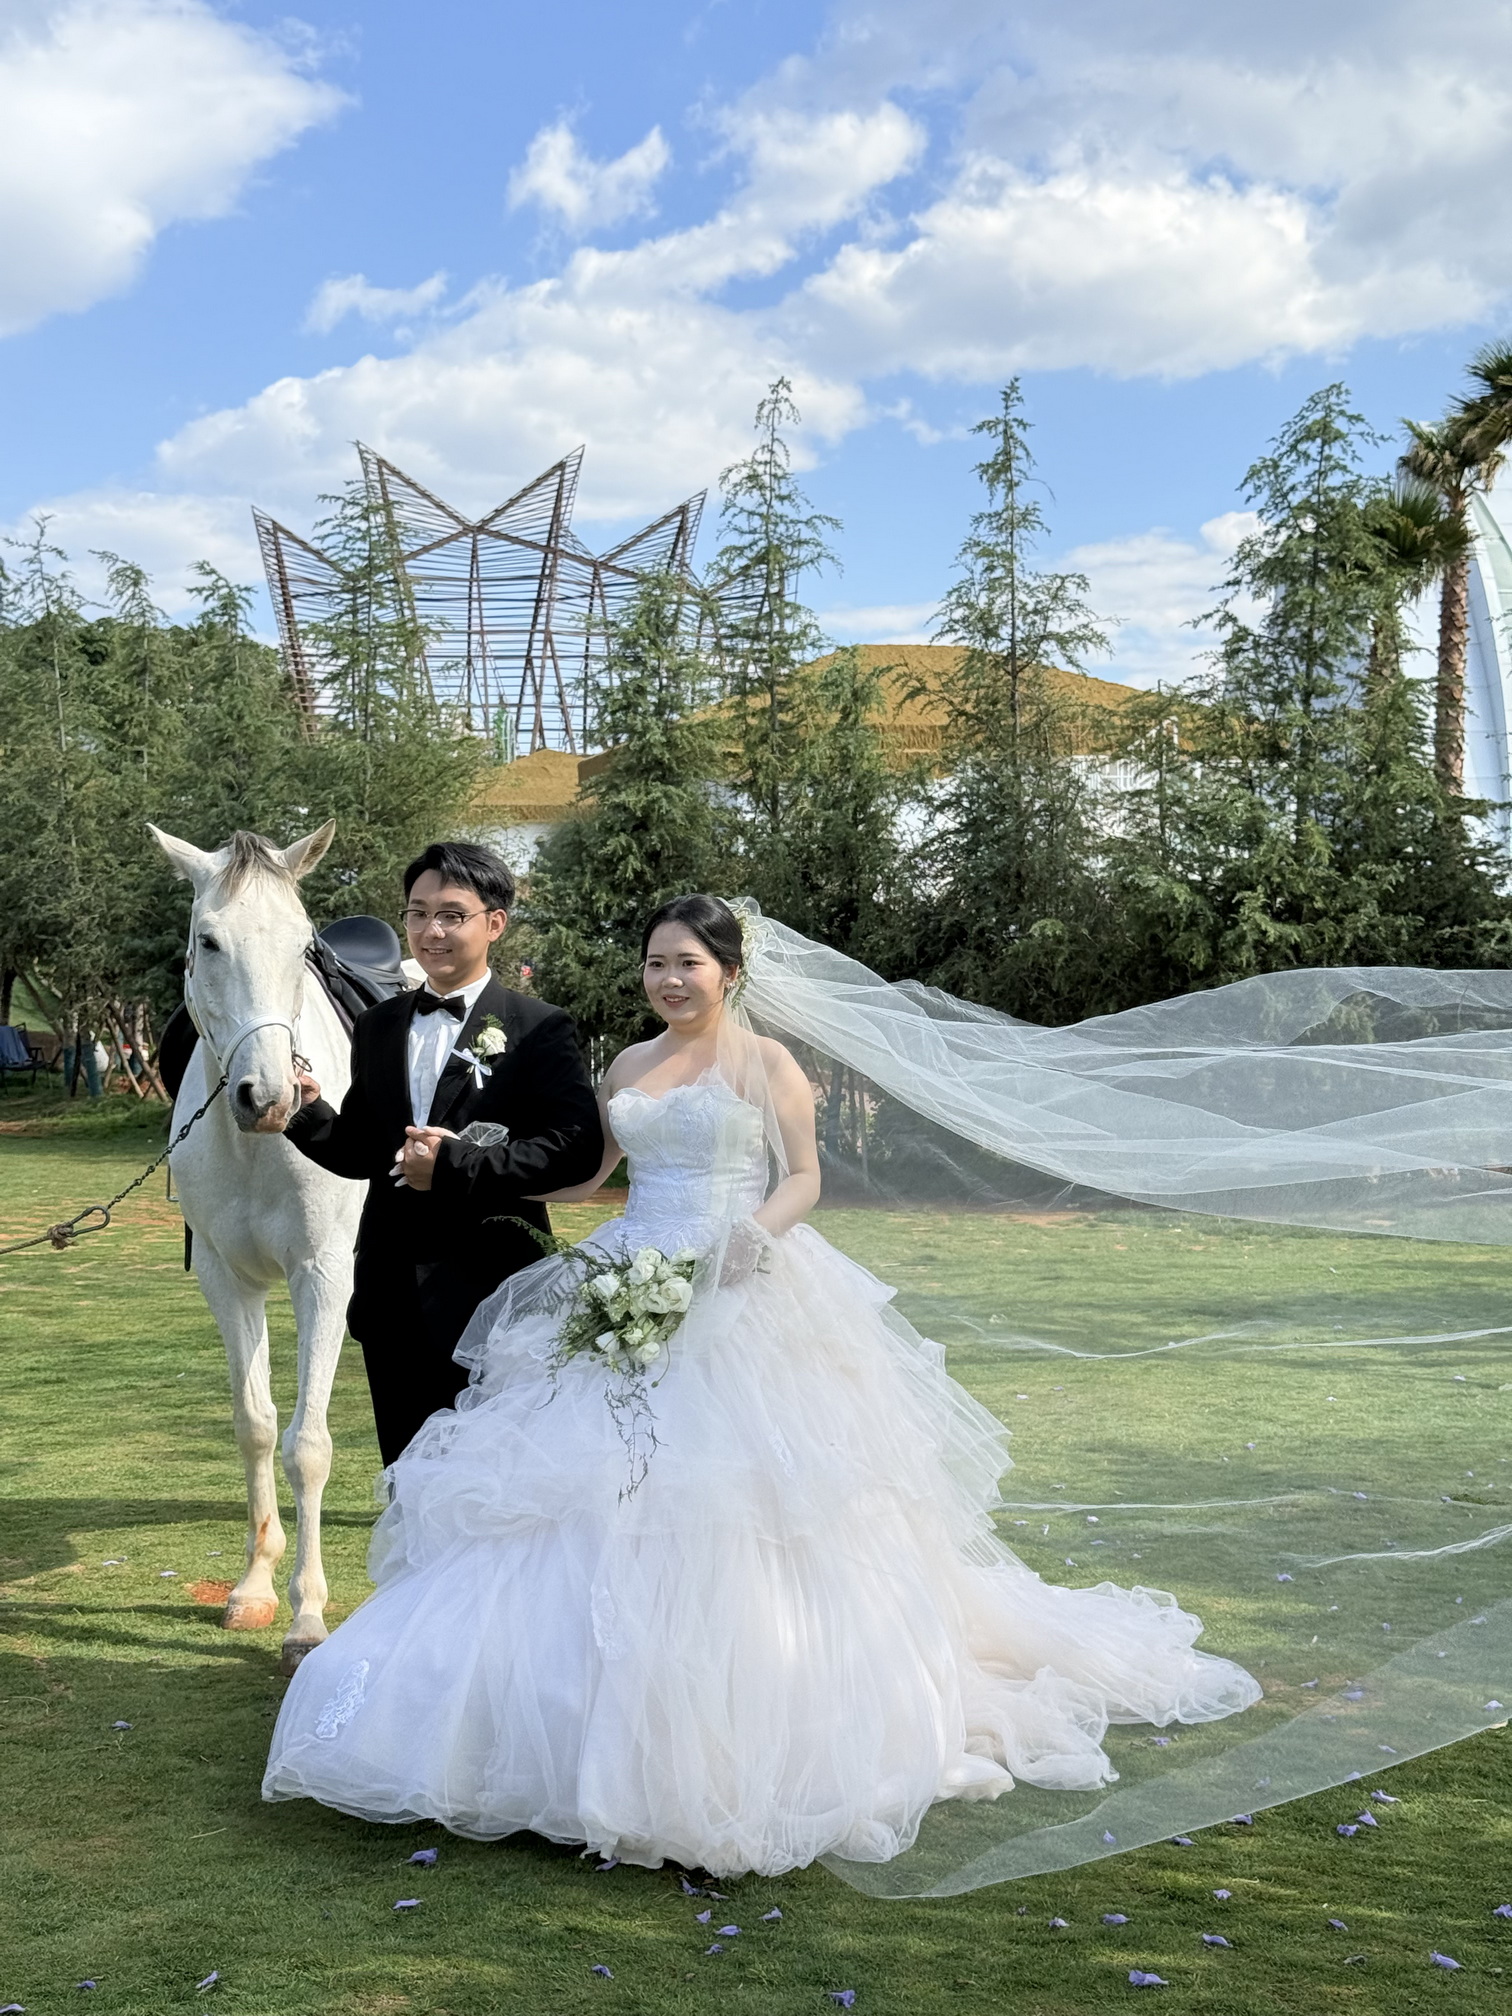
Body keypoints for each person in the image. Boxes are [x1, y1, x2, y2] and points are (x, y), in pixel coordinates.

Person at [264, 894, 1258, 1877]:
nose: (669, 980)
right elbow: (590, 1176)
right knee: (582, 1488)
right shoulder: (629, 1065)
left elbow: (805, 1176)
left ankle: (755, 1706)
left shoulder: (767, 1063)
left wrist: (748, 1241)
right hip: (630, 1276)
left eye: (688, 964)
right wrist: (472, 1164)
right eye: (656, 963)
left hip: (741, 1282)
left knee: (746, 1496)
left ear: (730, 974)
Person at [284, 841, 603, 1467]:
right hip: (391, 1299)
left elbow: (575, 1149)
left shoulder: (539, 1027)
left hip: (496, 1301)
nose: (431, 931)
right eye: (418, 913)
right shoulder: (377, 1026)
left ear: (494, 923)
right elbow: (363, 1151)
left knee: (492, 1483)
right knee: (405, 1482)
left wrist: (456, 1165)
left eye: (452, 915)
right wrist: (304, 1110)